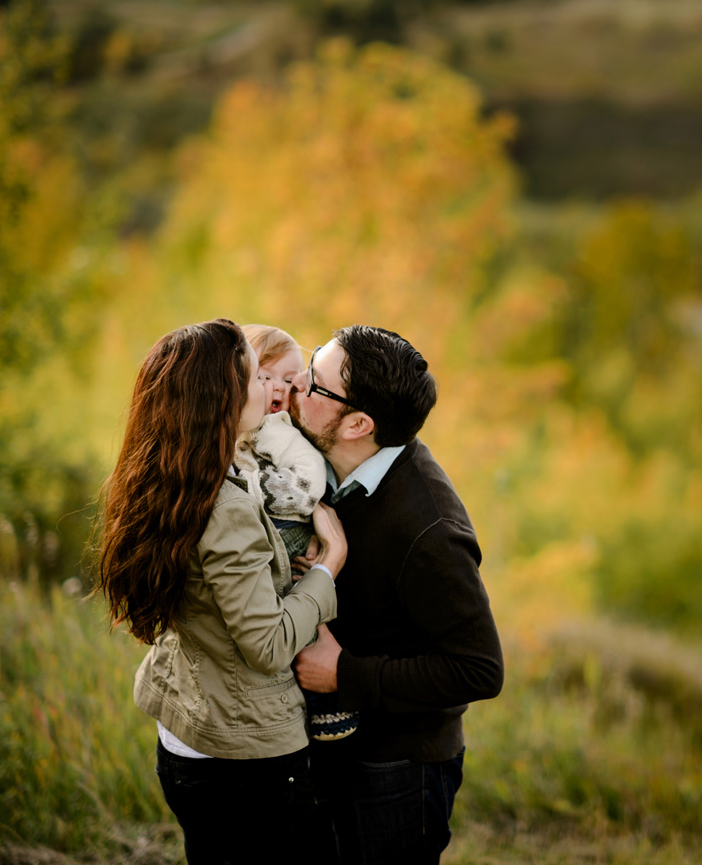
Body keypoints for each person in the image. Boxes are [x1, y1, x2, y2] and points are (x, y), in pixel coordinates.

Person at [93, 318, 345, 864]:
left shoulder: (174, 471)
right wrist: (329, 568)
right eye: (258, 377)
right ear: (224, 400)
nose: (274, 389)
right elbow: (268, 646)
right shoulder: (226, 507)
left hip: (187, 728)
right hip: (243, 756)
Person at [287, 325, 504, 863]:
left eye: (315, 383)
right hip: (336, 745)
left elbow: (479, 670)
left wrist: (346, 674)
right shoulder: (335, 466)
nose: (297, 383)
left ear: (358, 424)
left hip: (398, 768)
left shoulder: (431, 531)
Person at [239, 323, 359, 743]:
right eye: (263, 376)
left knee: (300, 612)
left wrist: (253, 492)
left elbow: (309, 488)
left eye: (289, 380)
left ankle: (329, 708)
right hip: (260, 532)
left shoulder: (282, 433)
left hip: (287, 529)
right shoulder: (242, 429)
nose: (276, 388)